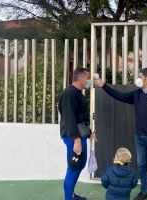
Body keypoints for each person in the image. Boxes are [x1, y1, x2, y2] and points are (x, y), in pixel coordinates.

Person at [95, 68, 147, 200]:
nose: (138, 78)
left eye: (140, 76)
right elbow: (120, 96)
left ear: (146, 78)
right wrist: (104, 86)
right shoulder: (137, 94)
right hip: (138, 135)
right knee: (141, 165)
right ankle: (144, 191)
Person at [58, 68, 95, 200]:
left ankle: (71, 194)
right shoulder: (69, 94)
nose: (89, 80)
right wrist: (76, 140)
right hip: (73, 137)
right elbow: (69, 119)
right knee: (74, 166)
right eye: (88, 77)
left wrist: (89, 133)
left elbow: (80, 117)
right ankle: (69, 198)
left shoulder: (78, 93)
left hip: (79, 135)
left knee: (80, 163)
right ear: (80, 78)